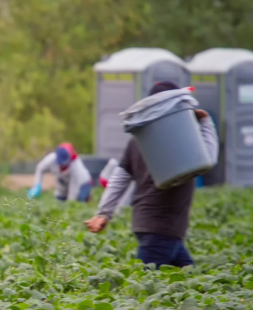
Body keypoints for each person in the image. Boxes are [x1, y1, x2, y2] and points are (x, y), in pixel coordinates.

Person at [84, 81, 219, 268]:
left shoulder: (138, 139)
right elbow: (208, 160)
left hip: (149, 224)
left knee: (191, 281)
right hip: (161, 228)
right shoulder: (182, 140)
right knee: (140, 288)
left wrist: (104, 213)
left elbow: (119, 178)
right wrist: (205, 120)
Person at [28, 143, 93, 202]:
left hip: (83, 183)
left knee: (79, 201)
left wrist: (70, 204)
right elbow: (40, 168)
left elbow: (74, 189)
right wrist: (37, 185)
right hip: (64, 183)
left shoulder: (75, 166)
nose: (61, 166)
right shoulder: (51, 159)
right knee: (59, 201)